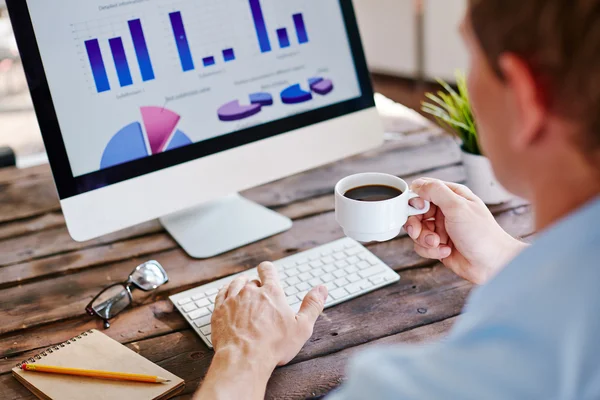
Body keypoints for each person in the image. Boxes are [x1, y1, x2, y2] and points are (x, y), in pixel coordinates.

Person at [195, 0, 600, 398]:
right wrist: (504, 258)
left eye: (471, 59)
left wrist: (244, 352)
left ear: (527, 99)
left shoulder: (461, 378)